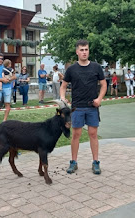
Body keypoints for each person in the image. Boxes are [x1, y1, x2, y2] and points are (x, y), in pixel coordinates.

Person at [60, 39, 106, 175]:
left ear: (88, 51)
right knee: (76, 134)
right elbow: (63, 86)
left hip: (92, 106)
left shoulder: (96, 67)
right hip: (77, 107)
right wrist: (62, 98)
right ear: (77, 52)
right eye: (81, 50)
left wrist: (99, 99)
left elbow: (103, 85)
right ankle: (73, 162)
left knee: (93, 134)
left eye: (86, 49)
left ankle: (96, 162)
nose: (84, 52)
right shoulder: (71, 69)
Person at [0, 53, 15, 121]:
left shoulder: (7, 66)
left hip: (7, 87)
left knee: (7, 104)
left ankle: (4, 120)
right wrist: (1, 79)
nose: (1, 60)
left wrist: (9, 79)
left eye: (2, 59)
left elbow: (14, 76)